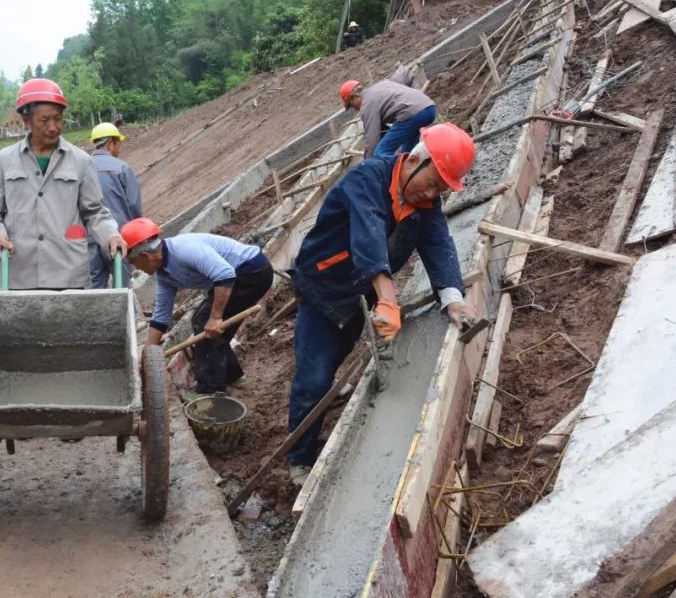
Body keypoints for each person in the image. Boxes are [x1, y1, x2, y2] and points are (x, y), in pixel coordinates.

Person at [284, 123, 479, 485]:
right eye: (433, 182)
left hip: (361, 291)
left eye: (440, 189)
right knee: (313, 377)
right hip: (324, 286)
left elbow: (438, 244)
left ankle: (330, 385)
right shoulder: (367, 178)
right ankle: (300, 459)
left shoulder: (425, 202)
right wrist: (388, 298)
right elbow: (368, 234)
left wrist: (453, 298)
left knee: (338, 353)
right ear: (414, 160)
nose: (432, 194)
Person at [0, 78, 126, 289]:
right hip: (19, 276)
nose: (53, 127)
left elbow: (95, 212)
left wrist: (111, 235)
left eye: (58, 119)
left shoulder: (81, 161)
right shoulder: (4, 160)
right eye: (44, 120)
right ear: (26, 119)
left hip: (68, 275)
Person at [122, 218, 273, 400]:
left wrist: (216, 317)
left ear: (145, 255)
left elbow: (225, 274)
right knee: (204, 324)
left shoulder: (184, 250)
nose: (136, 268)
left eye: (134, 262)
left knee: (205, 324)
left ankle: (210, 392)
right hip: (234, 278)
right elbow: (161, 317)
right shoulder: (164, 274)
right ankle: (232, 377)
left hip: (251, 272)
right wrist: (147, 355)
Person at [339, 66, 437, 159]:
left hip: (412, 116)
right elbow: (406, 74)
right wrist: (417, 97)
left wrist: (367, 164)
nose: (355, 109)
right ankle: (412, 171)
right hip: (430, 107)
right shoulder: (383, 84)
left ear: (356, 96)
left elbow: (371, 139)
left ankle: (391, 174)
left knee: (380, 153)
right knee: (408, 153)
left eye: (352, 105)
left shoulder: (367, 105)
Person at [88, 122, 142, 288]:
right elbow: (133, 205)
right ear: (110, 143)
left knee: (92, 291)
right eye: (118, 144)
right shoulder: (121, 168)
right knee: (123, 288)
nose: (119, 149)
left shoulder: (81, 167)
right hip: (119, 239)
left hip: (89, 239)